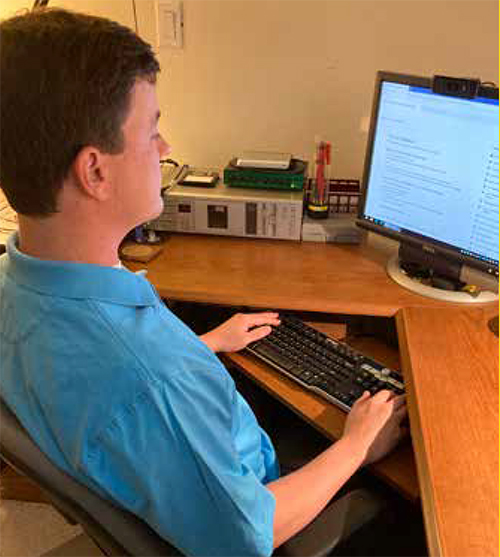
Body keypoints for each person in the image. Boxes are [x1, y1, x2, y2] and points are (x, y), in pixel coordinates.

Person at [0, 8, 407, 556]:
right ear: (95, 172)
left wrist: (202, 345)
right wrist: (358, 445)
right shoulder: (153, 379)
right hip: (254, 508)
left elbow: (113, 388)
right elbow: (247, 537)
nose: (165, 149)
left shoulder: (15, 285)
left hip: (165, 476)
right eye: (152, 131)